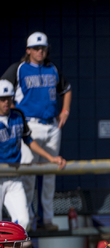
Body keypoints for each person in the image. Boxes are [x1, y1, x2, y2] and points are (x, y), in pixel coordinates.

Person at [2, 32, 72, 232]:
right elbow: (3, 89)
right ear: (28, 50)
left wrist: (65, 110)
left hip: (51, 124)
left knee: (51, 173)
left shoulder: (52, 68)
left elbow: (66, 89)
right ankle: (29, 219)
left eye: (43, 48)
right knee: (28, 175)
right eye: (36, 48)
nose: (40, 51)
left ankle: (47, 219)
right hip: (28, 124)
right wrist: (13, 110)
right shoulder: (19, 68)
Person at [0, 80, 65, 230]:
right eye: (2, 99)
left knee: (23, 221)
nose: (5, 102)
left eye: (8, 98)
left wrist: (51, 158)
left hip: (14, 177)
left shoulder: (18, 116)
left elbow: (29, 140)